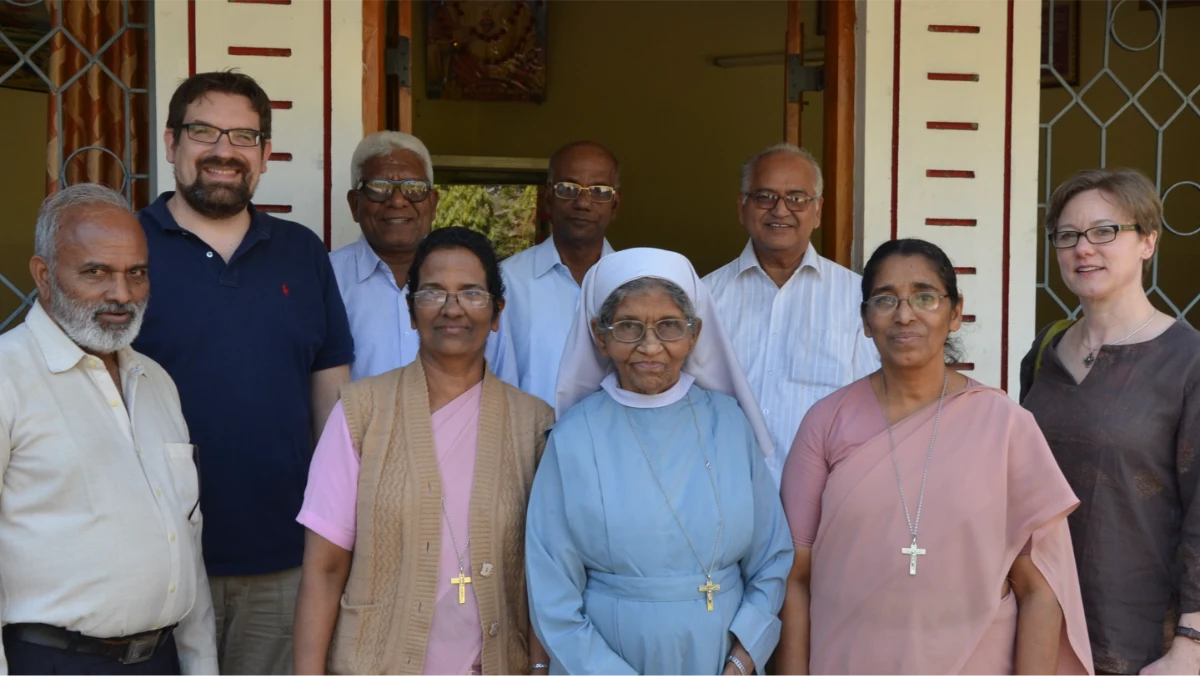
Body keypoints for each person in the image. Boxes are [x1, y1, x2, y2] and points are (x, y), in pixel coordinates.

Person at [775, 238, 1093, 675]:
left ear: (955, 313)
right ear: (865, 320)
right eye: (885, 300)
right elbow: (795, 575)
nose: (905, 314)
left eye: (924, 297)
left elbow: (1041, 588)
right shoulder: (825, 422)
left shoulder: (1005, 426)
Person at [133, 71, 355, 676]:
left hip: (281, 562)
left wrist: (334, 539)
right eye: (204, 131)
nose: (224, 150)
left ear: (263, 153)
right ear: (172, 141)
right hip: (156, 558)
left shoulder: (301, 252)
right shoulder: (128, 250)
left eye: (244, 136)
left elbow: (331, 401)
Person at [294, 227, 554, 676]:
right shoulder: (361, 412)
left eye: (471, 293)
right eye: (433, 292)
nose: (452, 309)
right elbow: (325, 568)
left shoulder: (534, 424)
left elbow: (547, 575)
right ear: (412, 311)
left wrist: (537, 666)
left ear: (496, 312)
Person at [527, 248, 792, 676]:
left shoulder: (729, 423)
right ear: (600, 335)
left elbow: (772, 559)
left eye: (669, 326)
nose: (650, 346)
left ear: (694, 332)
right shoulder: (574, 437)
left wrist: (742, 661)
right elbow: (551, 589)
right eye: (629, 327)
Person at [0, 185, 217, 675]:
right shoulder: (7, 377)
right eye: (96, 272)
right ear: (44, 275)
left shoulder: (156, 381)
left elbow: (185, 540)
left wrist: (202, 666)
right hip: (52, 663)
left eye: (136, 274)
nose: (121, 295)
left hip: (160, 660)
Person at [1019, 169, 1200, 676]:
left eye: (1105, 231)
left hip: (1140, 641)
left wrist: (1191, 644)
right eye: (1068, 235)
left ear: (1148, 241)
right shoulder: (1044, 352)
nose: (1084, 248)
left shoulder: (1188, 361)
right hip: (1039, 623)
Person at [704, 143, 878, 486]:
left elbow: (876, 406)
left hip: (825, 500)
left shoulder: (858, 299)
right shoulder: (703, 298)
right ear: (742, 207)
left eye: (797, 198)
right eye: (765, 196)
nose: (780, 210)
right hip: (725, 497)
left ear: (818, 211)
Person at [331, 131, 518, 383]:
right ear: (355, 204)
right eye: (379, 188)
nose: (397, 201)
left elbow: (502, 381)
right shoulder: (324, 279)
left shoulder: (477, 282)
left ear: (432, 203)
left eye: (414, 188)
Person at [500, 141, 620, 405]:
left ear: (615, 205)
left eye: (599, 191)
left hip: (615, 443)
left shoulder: (634, 284)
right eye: (568, 188)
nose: (583, 203)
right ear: (548, 198)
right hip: (530, 442)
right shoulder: (506, 282)